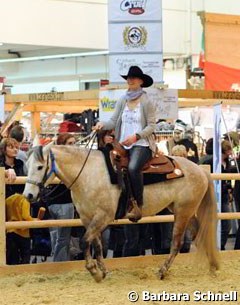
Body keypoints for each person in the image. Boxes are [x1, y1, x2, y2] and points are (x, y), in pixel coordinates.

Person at [94, 65, 156, 222]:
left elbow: (151, 126)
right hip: (123, 144)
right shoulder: (123, 99)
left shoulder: (147, 101)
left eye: (133, 78)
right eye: (128, 78)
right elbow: (113, 121)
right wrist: (102, 124)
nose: (130, 80)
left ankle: (137, 203)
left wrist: (136, 137)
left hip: (141, 144)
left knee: (133, 168)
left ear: (141, 81)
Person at [46, 133, 75, 261]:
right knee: (63, 238)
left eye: (74, 143)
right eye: (70, 143)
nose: (73, 146)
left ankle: (59, 262)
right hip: (63, 202)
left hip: (51, 202)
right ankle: (59, 265)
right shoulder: (67, 161)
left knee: (56, 237)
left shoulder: (51, 158)